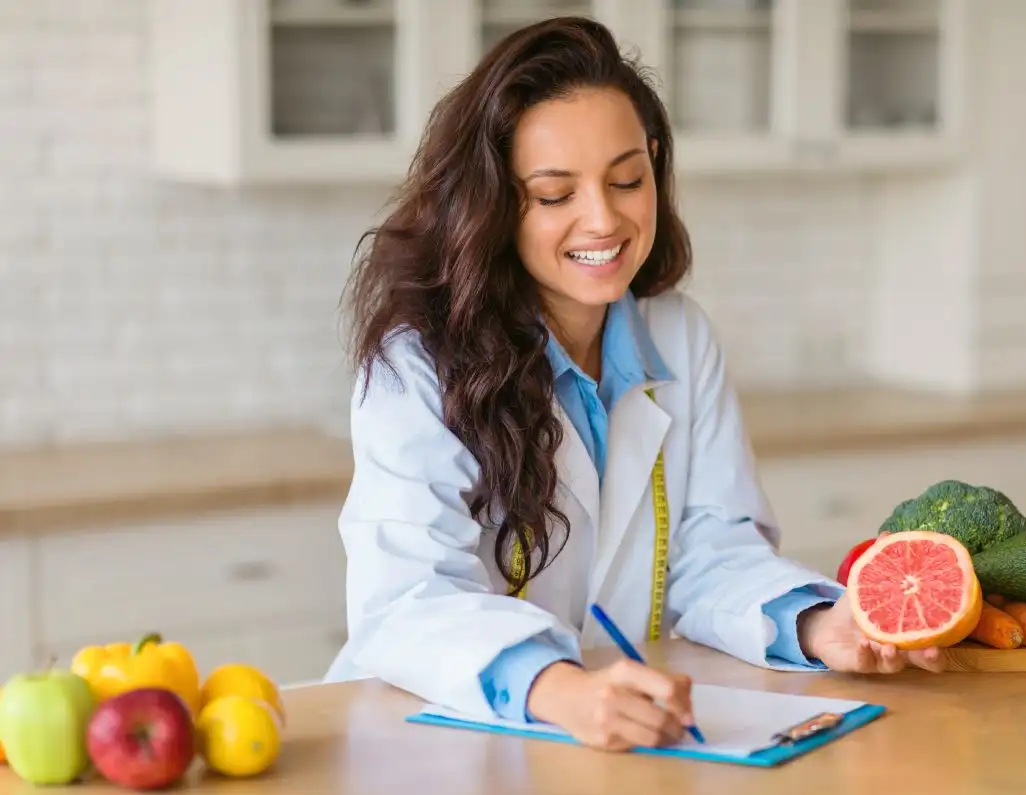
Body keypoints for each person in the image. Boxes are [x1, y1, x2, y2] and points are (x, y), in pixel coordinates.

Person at [323, 16, 945, 752]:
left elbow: (714, 548)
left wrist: (816, 624)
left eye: (627, 179)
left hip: (615, 728)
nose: (604, 217)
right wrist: (561, 691)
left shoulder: (680, 335)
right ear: (493, 207)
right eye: (555, 194)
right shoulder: (417, 360)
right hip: (435, 736)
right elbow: (409, 599)